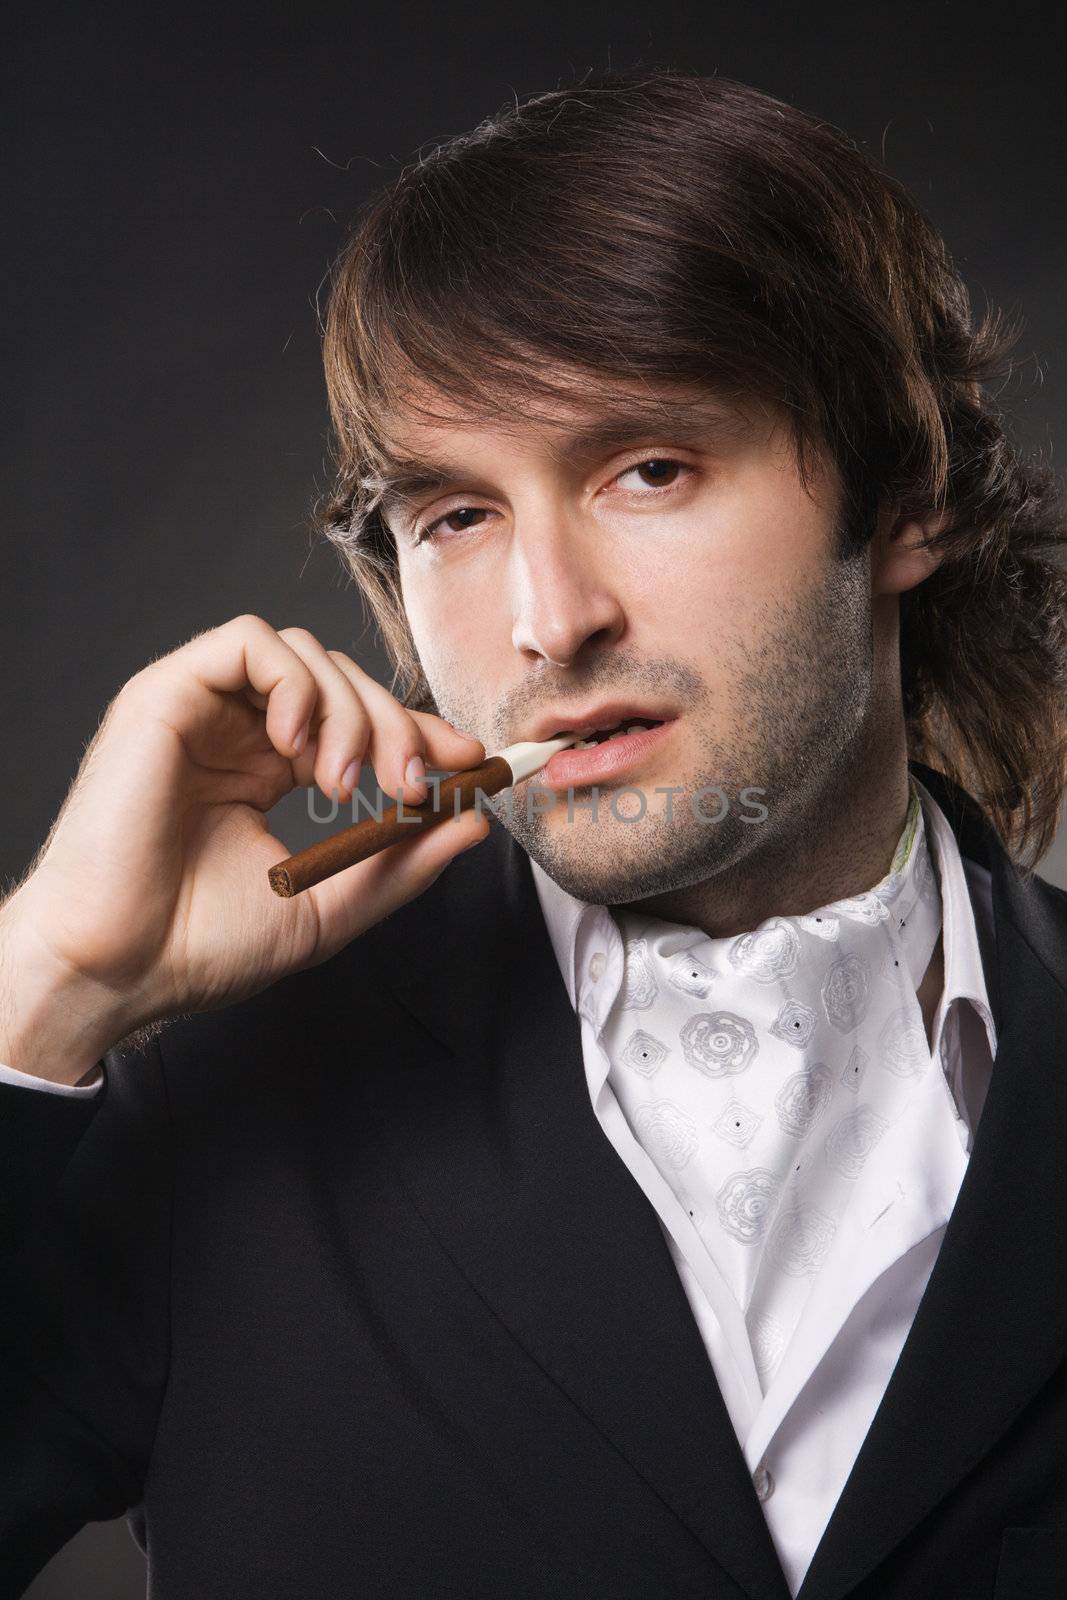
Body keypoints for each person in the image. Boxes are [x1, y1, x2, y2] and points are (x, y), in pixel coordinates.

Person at [2, 67, 1067, 1600]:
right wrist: (42, 984)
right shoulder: (209, 1104)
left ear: (907, 501)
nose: (546, 622)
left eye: (649, 469)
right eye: (454, 515)